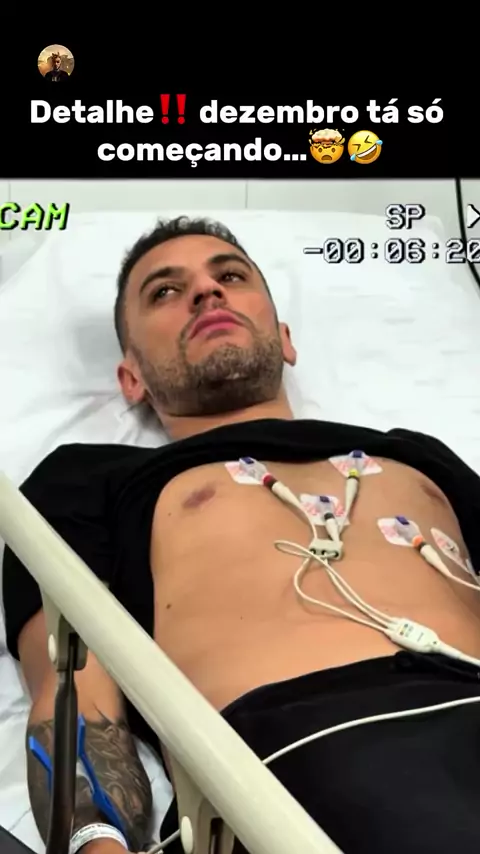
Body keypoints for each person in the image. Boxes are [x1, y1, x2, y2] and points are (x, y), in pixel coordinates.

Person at [3, 216, 480, 854]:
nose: (208, 292)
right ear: (131, 377)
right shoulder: (88, 480)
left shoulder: (418, 457)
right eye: (165, 292)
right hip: (294, 770)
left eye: (229, 275)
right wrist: (96, 844)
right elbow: (73, 695)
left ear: (285, 340)